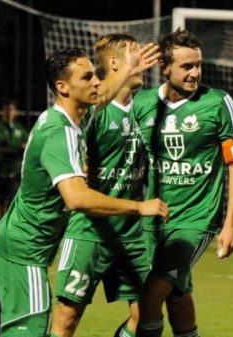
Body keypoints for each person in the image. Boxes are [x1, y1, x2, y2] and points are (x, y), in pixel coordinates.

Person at [0, 46, 167, 337]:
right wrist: (137, 207)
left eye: (95, 74)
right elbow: (77, 198)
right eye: (87, 77)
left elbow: (103, 93)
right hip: (25, 252)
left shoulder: (66, 116)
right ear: (62, 87)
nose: (96, 81)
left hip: (13, 243)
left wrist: (129, 70)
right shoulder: (60, 132)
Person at [131, 28, 233, 337]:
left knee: (149, 296)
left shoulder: (219, 103)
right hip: (153, 222)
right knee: (176, 297)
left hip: (195, 221)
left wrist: (231, 223)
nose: (195, 73)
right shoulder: (142, 104)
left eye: (198, 65)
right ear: (164, 67)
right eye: (186, 66)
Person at [48, 34, 154, 337]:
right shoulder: (92, 109)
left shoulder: (145, 108)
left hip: (132, 232)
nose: (142, 61)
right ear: (114, 64)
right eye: (134, 54)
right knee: (67, 317)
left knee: (147, 315)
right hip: (90, 230)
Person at [0, 99, 29, 220]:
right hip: (1, 170)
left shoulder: (18, 127)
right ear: (2, 112)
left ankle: (11, 226)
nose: (9, 112)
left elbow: (27, 142)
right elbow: (5, 143)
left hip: (16, 169)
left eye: (11, 109)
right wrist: (18, 146)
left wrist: (20, 145)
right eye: (6, 110)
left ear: (15, 111)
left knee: (13, 199)